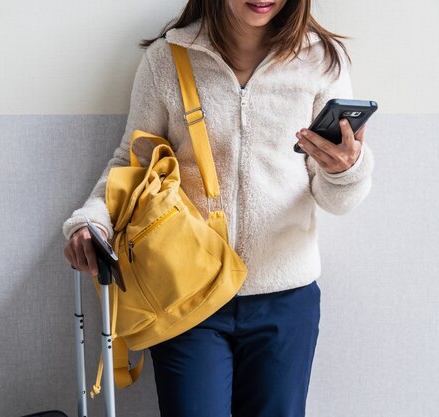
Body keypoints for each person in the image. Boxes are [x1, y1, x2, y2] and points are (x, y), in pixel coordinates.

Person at [62, 0, 373, 416]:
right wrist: (91, 221)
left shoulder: (321, 62)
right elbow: (129, 162)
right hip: (187, 295)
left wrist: (345, 171)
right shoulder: (168, 58)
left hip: (286, 299)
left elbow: (335, 201)